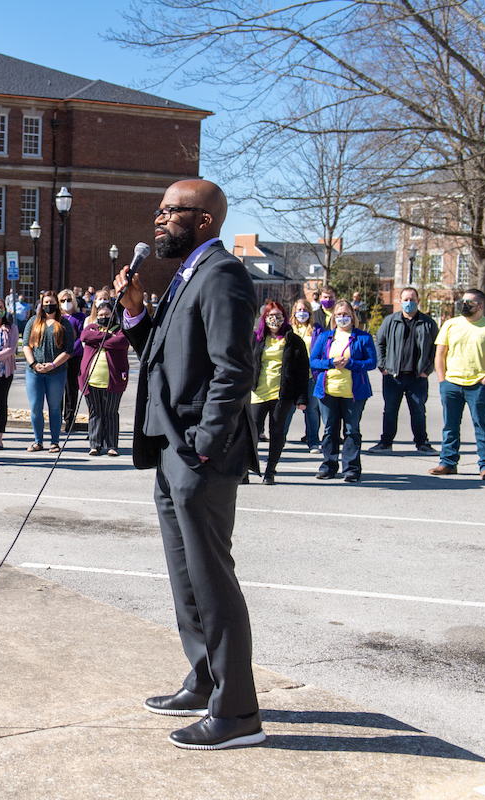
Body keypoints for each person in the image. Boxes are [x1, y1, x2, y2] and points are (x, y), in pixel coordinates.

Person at [114, 179, 264, 750]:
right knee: (185, 577)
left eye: (169, 212)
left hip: (198, 455)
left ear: (203, 220)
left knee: (211, 579)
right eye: (158, 211)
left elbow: (234, 369)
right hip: (169, 449)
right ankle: (204, 679)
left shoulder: (223, 274)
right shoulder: (186, 275)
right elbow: (164, 354)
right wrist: (132, 314)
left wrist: (203, 442)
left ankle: (237, 712)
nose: (158, 221)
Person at [430, 288, 485, 479]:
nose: (464, 305)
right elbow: (440, 354)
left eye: (469, 302)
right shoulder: (450, 324)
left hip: (479, 386)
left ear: (480, 306)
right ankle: (447, 462)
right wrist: (442, 379)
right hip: (451, 384)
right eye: (463, 301)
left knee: (482, 425)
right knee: (450, 425)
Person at [309, 300, 377, 482]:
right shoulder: (325, 337)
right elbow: (313, 360)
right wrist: (330, 363)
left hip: (353, 393)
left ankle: (351, 469)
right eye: (338, 314)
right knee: (330, 430)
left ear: (352, 316)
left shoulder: (363, 337)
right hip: (328, 391)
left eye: (346, 314)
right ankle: (328, 467)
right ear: (333, 317)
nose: (342, 317)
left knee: (351, 431)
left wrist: (351, 363)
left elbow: (372, 362)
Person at [370, 287, 439, 454]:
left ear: (418, 301)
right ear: (400, 301)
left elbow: (436, 349)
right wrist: (383, 366)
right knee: (390, 411)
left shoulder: (428, 323)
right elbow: (379, 343)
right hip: (393, 376)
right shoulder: (390, 321)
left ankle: (422, 443)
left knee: (418, 411)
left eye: (412, 299)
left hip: (417, 377)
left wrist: (427, 370)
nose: (409, 302)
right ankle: (386, 442)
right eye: (406, 299)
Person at [249, 300, 309, 484]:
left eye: (279, 316)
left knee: (276, 432)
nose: (275, 319)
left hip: (282, 395)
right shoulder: (255, 338)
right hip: (257, 393)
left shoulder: (293, 340)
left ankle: (270, 470)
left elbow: (301, 370)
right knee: (251, 432)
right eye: (270, 316)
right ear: (264, 318)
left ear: (285, 318)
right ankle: (246, 468)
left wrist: (301, 397)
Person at [22, 290, 73, 453]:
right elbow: (25, 345)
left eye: (52, 303)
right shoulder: (33, 322)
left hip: (56, 373)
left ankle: (55, 442)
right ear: (41, 305)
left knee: (55, 407)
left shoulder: (65, 324)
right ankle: (38, 441)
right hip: (34, 372)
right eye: (46, 303)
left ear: (57, 305)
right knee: (36, 406)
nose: (49, 306)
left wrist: (52, 365)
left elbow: (68, 350)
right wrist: (34, 363)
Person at [79, 298, 130, 457]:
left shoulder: (120, 330)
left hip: (113, 381)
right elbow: (85, 337)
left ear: (113, 315)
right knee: (95, 412)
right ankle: (95, 445)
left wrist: (99, 340)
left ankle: (111, 445)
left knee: (111, 413)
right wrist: (106, 337)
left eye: (107, 314)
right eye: (100, 314)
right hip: (91, 380)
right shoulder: (91, 327)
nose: (103, 317)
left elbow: (121, 342)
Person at [285, 298, 322, 451]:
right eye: (299, 310)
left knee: (312, 410)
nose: (302, 313)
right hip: (292, 376)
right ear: (294, 312)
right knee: (288, 410)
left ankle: (313, 441)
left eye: (305, 310)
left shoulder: (316, 330)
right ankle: (280, 439)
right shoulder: (288, 329)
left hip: (310, 377)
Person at [0, 297, 19, 451]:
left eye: (1, 307)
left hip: (4, 372)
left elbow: (12, 349)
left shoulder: (11, 327)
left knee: (1, 404)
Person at [58, 288, 85, 432]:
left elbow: (82, 336)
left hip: (74, 357)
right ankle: (57, 418)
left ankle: (69, 418)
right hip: (58, 358)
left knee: (71, 388)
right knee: (58, 389)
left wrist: (70, 351)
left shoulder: (79, 316)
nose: (66, 303)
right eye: (63, 300)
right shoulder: (57, 317)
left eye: (68, 300)